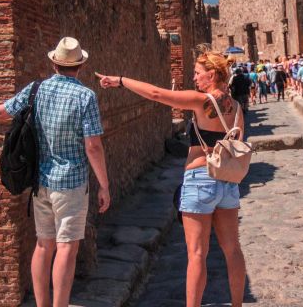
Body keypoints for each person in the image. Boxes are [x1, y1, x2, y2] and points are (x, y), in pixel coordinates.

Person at [0, 37, 110, 307]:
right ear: (81, 65)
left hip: (40, 182)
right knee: (67, 247)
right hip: (72, 183)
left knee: (44, 245)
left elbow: (0, 113)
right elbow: (93, 146)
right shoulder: (85, 96)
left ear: (54, 63)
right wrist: (104, 185)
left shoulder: (36, 90)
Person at [96, 51, 246, 307]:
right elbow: (238, 142)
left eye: (198, 73)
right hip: (228, 182)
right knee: (232, 249)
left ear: (212, 74)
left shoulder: (201, 101)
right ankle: (237, 304)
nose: (194, 77)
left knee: (197, 253)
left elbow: (156, 94)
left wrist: (121, 80)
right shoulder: (236, 106)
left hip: (200, 178)